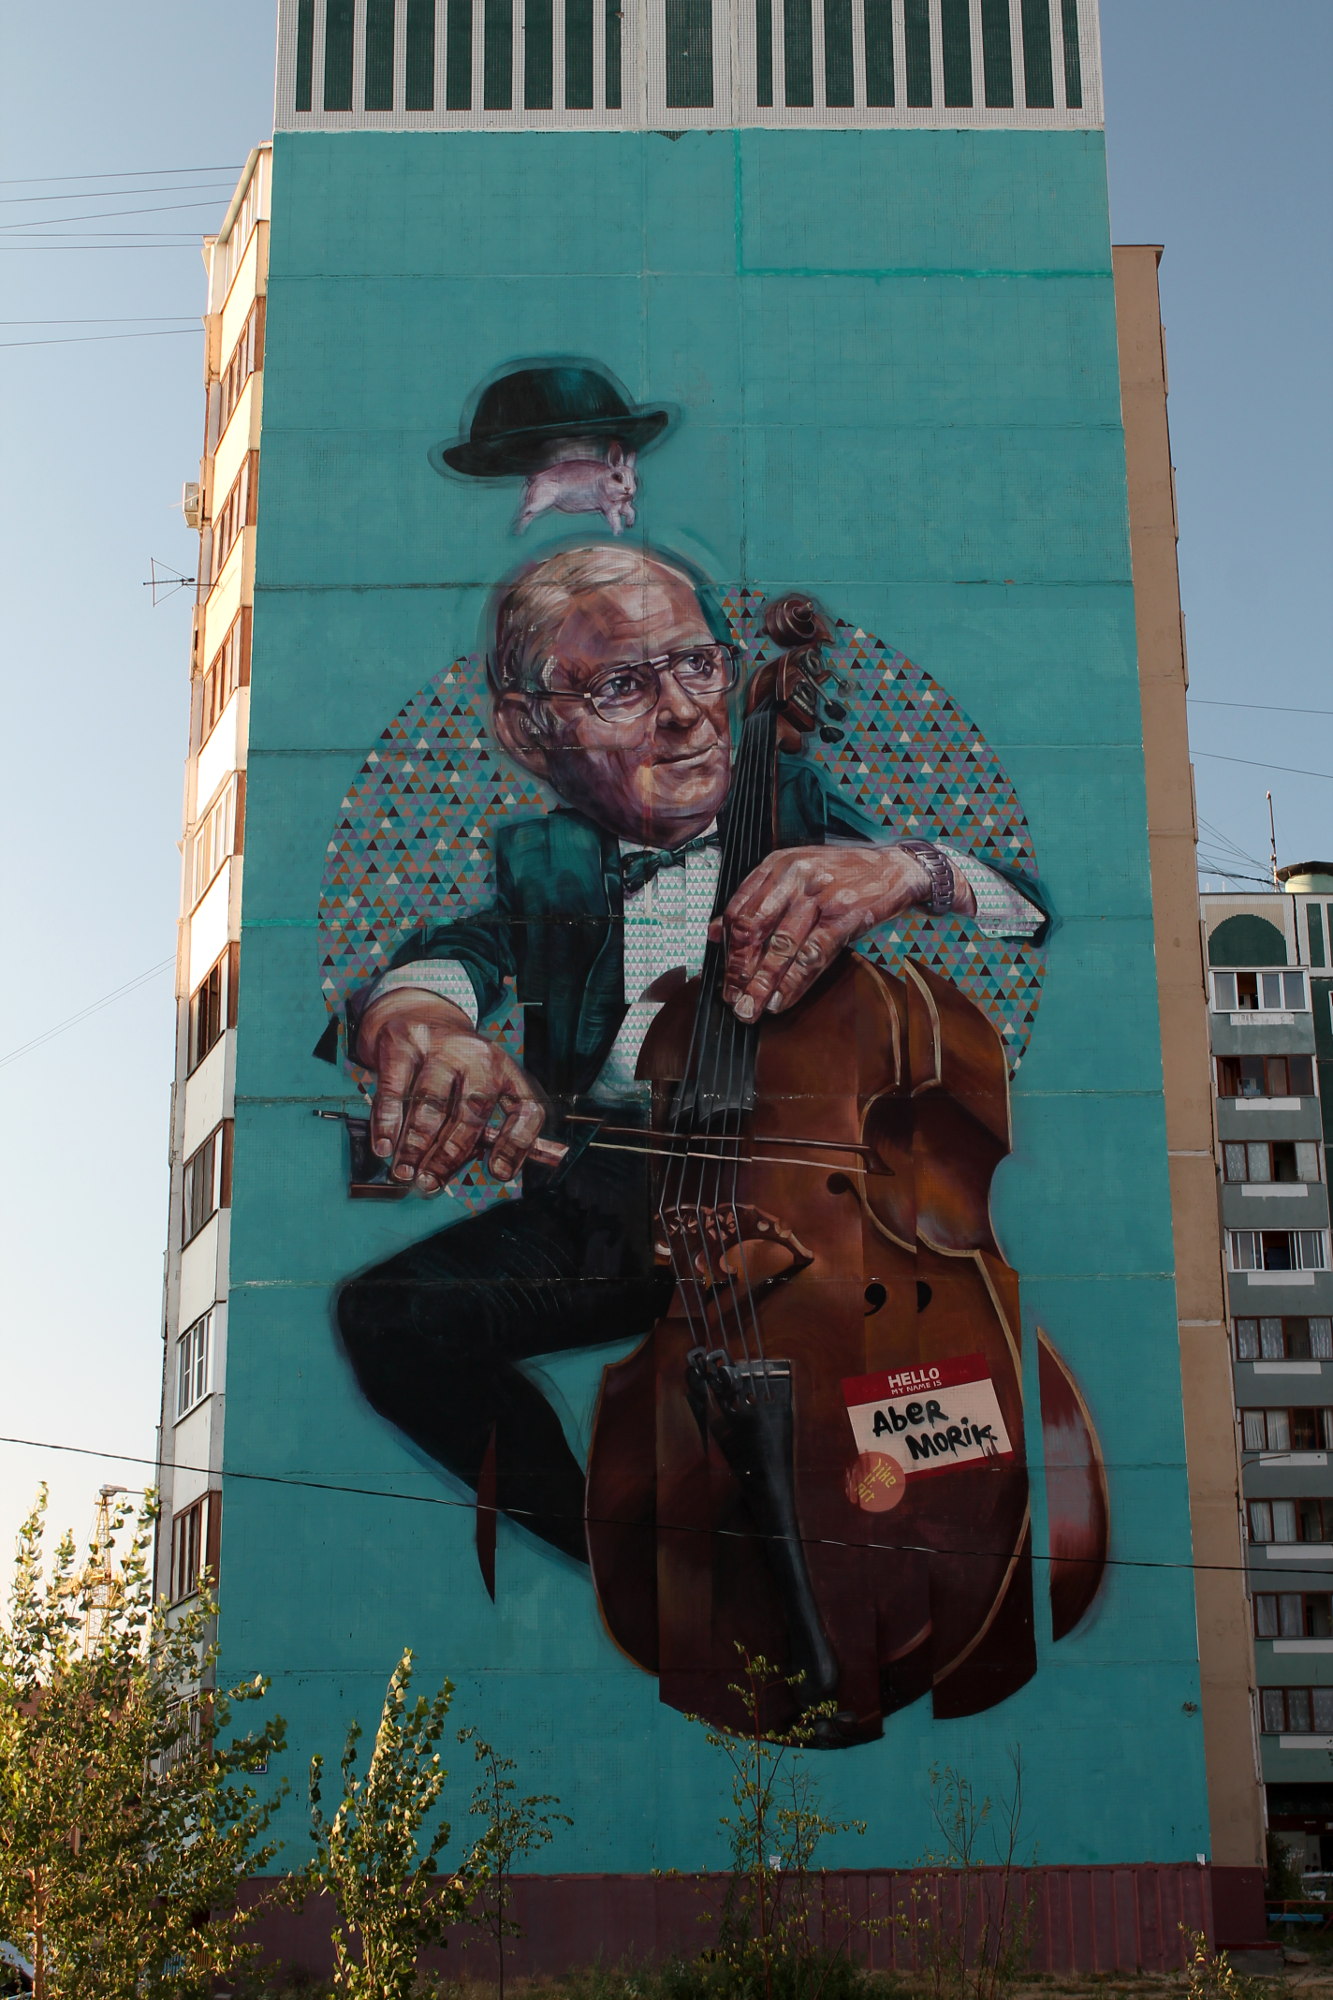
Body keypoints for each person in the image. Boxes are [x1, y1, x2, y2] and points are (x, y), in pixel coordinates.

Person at [336, 544, 1044, 1563]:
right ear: (530, 728)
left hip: (809, 1208)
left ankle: (912, 1532)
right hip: (610, 1202)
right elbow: (461, 951)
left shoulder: (794, 802)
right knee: (390, 1315)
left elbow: (1030, 906)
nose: (684, 714)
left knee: (905, 1392)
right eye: (622, 685)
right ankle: (622, 1557)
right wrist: (422, 1018)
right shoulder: (547, 860)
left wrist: (909, 869)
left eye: (699, 666)